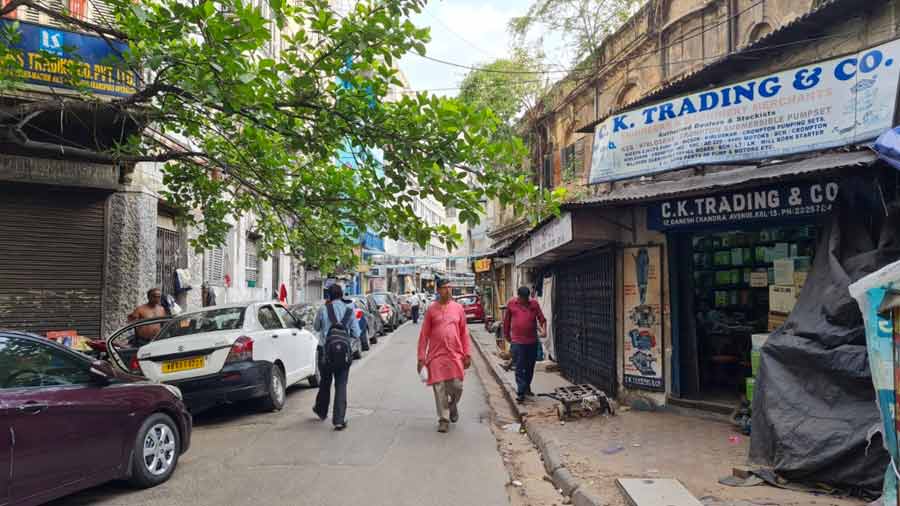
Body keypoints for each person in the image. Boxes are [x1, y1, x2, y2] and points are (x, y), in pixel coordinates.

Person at [417, 278, 472, 433]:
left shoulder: (458, 308)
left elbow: (464, 333)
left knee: (457, 386)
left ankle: (452, 405)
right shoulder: (431, 310)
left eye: (450, 287)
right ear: (438, 290)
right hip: (436, 355)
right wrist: (421, 358)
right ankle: (444, 419)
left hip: (455, 354)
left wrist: (467, 354)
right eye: (445, 288)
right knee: (439, 387)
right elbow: (424, 335)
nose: (448, 290)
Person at [313, 284, 360, 431]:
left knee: (325, 382)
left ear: (329, 296)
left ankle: (321, 411)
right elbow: (356, 333)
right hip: (344, 353)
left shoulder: (323, 309)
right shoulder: (349, 310)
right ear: (341, 295)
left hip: (325, 352)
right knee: (341, 384)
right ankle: (339, 420)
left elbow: (316, 327)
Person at [503, 286, 547, 403]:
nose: (525, 301)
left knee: (529, 367)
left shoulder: (534, 304)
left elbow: (542, 319)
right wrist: (507, 336)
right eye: (523, 298)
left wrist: (544, 330)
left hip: (532, 341)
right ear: (519, 297)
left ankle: (527, 387)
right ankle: (521, 392)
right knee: (519, 367)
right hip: (518, 342)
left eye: (527, 298)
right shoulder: (512, 304)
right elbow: (506, 322)